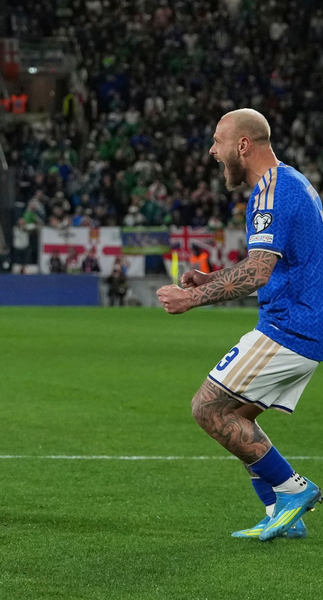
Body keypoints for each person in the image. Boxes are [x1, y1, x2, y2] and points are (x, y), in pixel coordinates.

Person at [157, 108, 323, 540]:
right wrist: (211, 278)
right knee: (237, 420)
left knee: (207, 408)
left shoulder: (271, 193)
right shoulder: (294, 183)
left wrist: (192, 297)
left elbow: (258, 274)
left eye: (217, 141)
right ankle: (283, 517)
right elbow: (268, 262)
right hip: (305, 327)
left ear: (243, 145)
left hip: (289, 328)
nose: (213, 151)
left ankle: (292, 490)